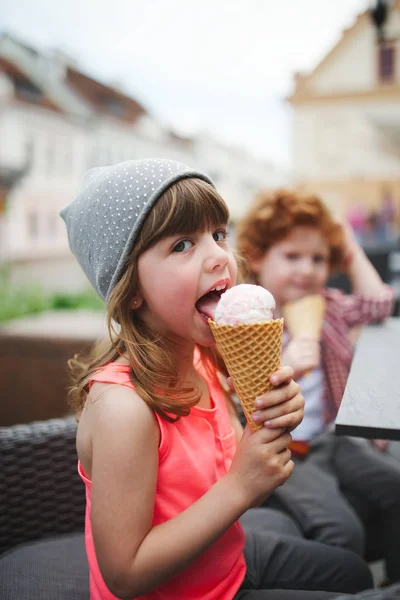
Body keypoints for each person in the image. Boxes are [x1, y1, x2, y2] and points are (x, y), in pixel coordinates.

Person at [60, 160, 373, 600]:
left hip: (228, 560)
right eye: (183, 244)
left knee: (352, 573)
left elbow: (242, 482)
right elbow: (125, 574)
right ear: (130, 289)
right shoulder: (122, 408)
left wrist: (271, 432)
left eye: (219, 234)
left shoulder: (204, 360)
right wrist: (240, 485)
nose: (220, 256)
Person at [236, 188, 400, 585]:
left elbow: (380, 303)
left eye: (319, 259)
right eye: (292, 256)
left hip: (331, 438)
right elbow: (238, 398)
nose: (307, 269)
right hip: (288, 451)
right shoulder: (246, 319)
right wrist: (287, 363)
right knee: (342, 531)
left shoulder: (327, 305)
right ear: (257, 258)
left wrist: (348, 248)